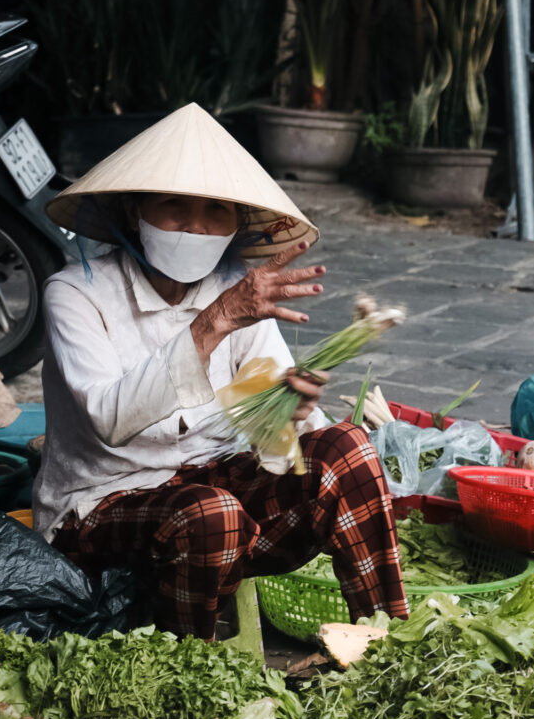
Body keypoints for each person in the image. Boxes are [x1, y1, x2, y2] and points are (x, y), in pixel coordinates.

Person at [33, 103, 407, 640]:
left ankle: (387, 643)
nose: (196, 226)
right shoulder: (76, 294)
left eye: (215, 210)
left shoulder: (236, 292)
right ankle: (192, 667)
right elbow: (110, 420)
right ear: (136, 211)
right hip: (100, 507)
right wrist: (218, 319)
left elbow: (270, 433)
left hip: (219, 494)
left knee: (346, 449)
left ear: (235, 225)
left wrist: (288, 409)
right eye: (173, 205)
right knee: (213, 515)